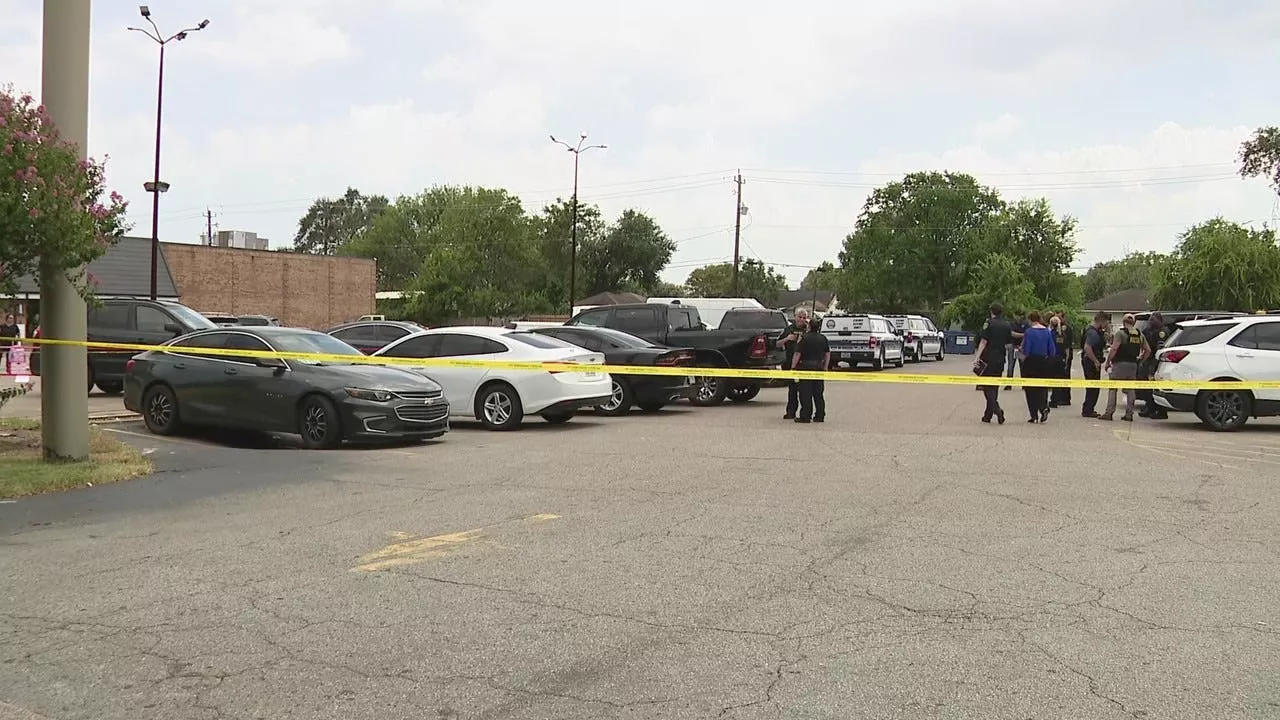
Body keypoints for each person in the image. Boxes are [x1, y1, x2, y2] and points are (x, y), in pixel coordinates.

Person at [1100, 313, 1149, 422]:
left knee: (1113, 388)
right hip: (1133, 365)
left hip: (1119, 364)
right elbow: (1148, 350)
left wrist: (1108, 362)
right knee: (1131, 390)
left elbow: (1114, 349)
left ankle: (1109, 412)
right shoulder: (1139, 334)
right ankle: (1129, 414)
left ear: (1123, 322)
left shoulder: (1120, 333)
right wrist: (1141, 361)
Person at [972, 303, 1012, 424]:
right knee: (994, 387)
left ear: (992, 312)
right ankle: (988, 415)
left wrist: (977, 357)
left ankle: (997, 410)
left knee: (986, 386)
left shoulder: (989, 323)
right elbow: (1008, 342)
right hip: (1000, 359)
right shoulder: (1007, 325)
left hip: (988, 359)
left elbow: (983, 341)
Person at [1020, 311, 1058, 423]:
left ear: (1030, 320)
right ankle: (1043, 407)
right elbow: (1052, 350)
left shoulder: (1029, 332)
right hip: (1043, 362)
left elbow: (1026, 350)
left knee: (1030, 389)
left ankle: (1033, 415)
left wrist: (1021, 353)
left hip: (1031, 362)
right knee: (1042, 387)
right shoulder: (1047, 331)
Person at [791, 317, 830, 423]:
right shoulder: (823, 338)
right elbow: (827, 354)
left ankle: (805, 416)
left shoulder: (804, 338)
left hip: (805, 368)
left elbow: (797, 354)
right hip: (818, 367)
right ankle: (820, 415)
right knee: (818, 393)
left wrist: (793, 367)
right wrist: (825, 366)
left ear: (809, 326)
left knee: (805, 393)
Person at [778, 309, 809, 420]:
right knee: (792, 390)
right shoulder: (789, 329)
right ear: (795, 317)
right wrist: (787, 338)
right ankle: (791, 412)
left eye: (804, 317)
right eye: (799, 317)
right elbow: (777, 344)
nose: (801, 319)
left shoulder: (808, 330)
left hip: (804, 364)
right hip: (790, 363)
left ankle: (805, 414)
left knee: (805, 391)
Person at [1137, 312, 1169, 419]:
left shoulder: (1162, 332)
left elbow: (1159, 348)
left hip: (1157, 361)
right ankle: (1149, 406)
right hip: (1148, 360)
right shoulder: (1148, 330)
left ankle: (1161, 411)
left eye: (1152, 320)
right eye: (1150, 320)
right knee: (1147, 386)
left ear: (1159, 321)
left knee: (1157, 387)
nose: (1150, 322)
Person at [1079, 312, 1109, 418]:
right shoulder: (1092, 333)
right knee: (1093, 386)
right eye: (1106, 322)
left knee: (1093, 386)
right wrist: (1096, 361)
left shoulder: (1093, 331)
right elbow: (1087, 348)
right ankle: (1088, 410)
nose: (1106, 325)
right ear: (1101, 321)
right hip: (1090, 362)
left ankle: (1089, 408)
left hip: (1090, 361)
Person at [1005, 310, 1027, 389]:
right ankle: (1008, 384)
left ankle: (1024, 384)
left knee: (1023, 366)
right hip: (1013, 346)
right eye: (1017, 315)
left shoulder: (1026, 323)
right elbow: (1011, 334)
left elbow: (1027, 334)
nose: (1018, 317)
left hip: (1022, 347)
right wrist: (1023, 335)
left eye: (1020, 315)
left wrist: (1020, 335)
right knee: (1010, 366)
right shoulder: (1011, 323)